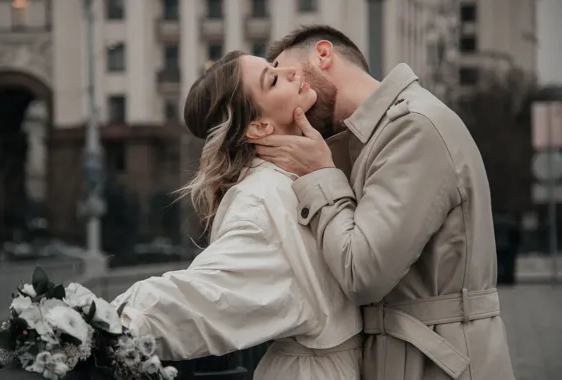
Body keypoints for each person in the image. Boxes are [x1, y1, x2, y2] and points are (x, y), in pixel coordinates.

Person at [250, 25, 516, 380]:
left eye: (286, 70)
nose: (288, 85)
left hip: (439, 362)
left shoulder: (413, 128)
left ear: (323, 55)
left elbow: (363, 274)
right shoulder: (368, 139)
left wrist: (320, 173)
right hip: (411, 356)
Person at [110, 51, 363, 380]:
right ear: (259, 126)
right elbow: (207, 296)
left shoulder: (296, 176)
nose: (291, 70)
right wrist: (110, 322)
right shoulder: (261, 198)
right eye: (272, 79)